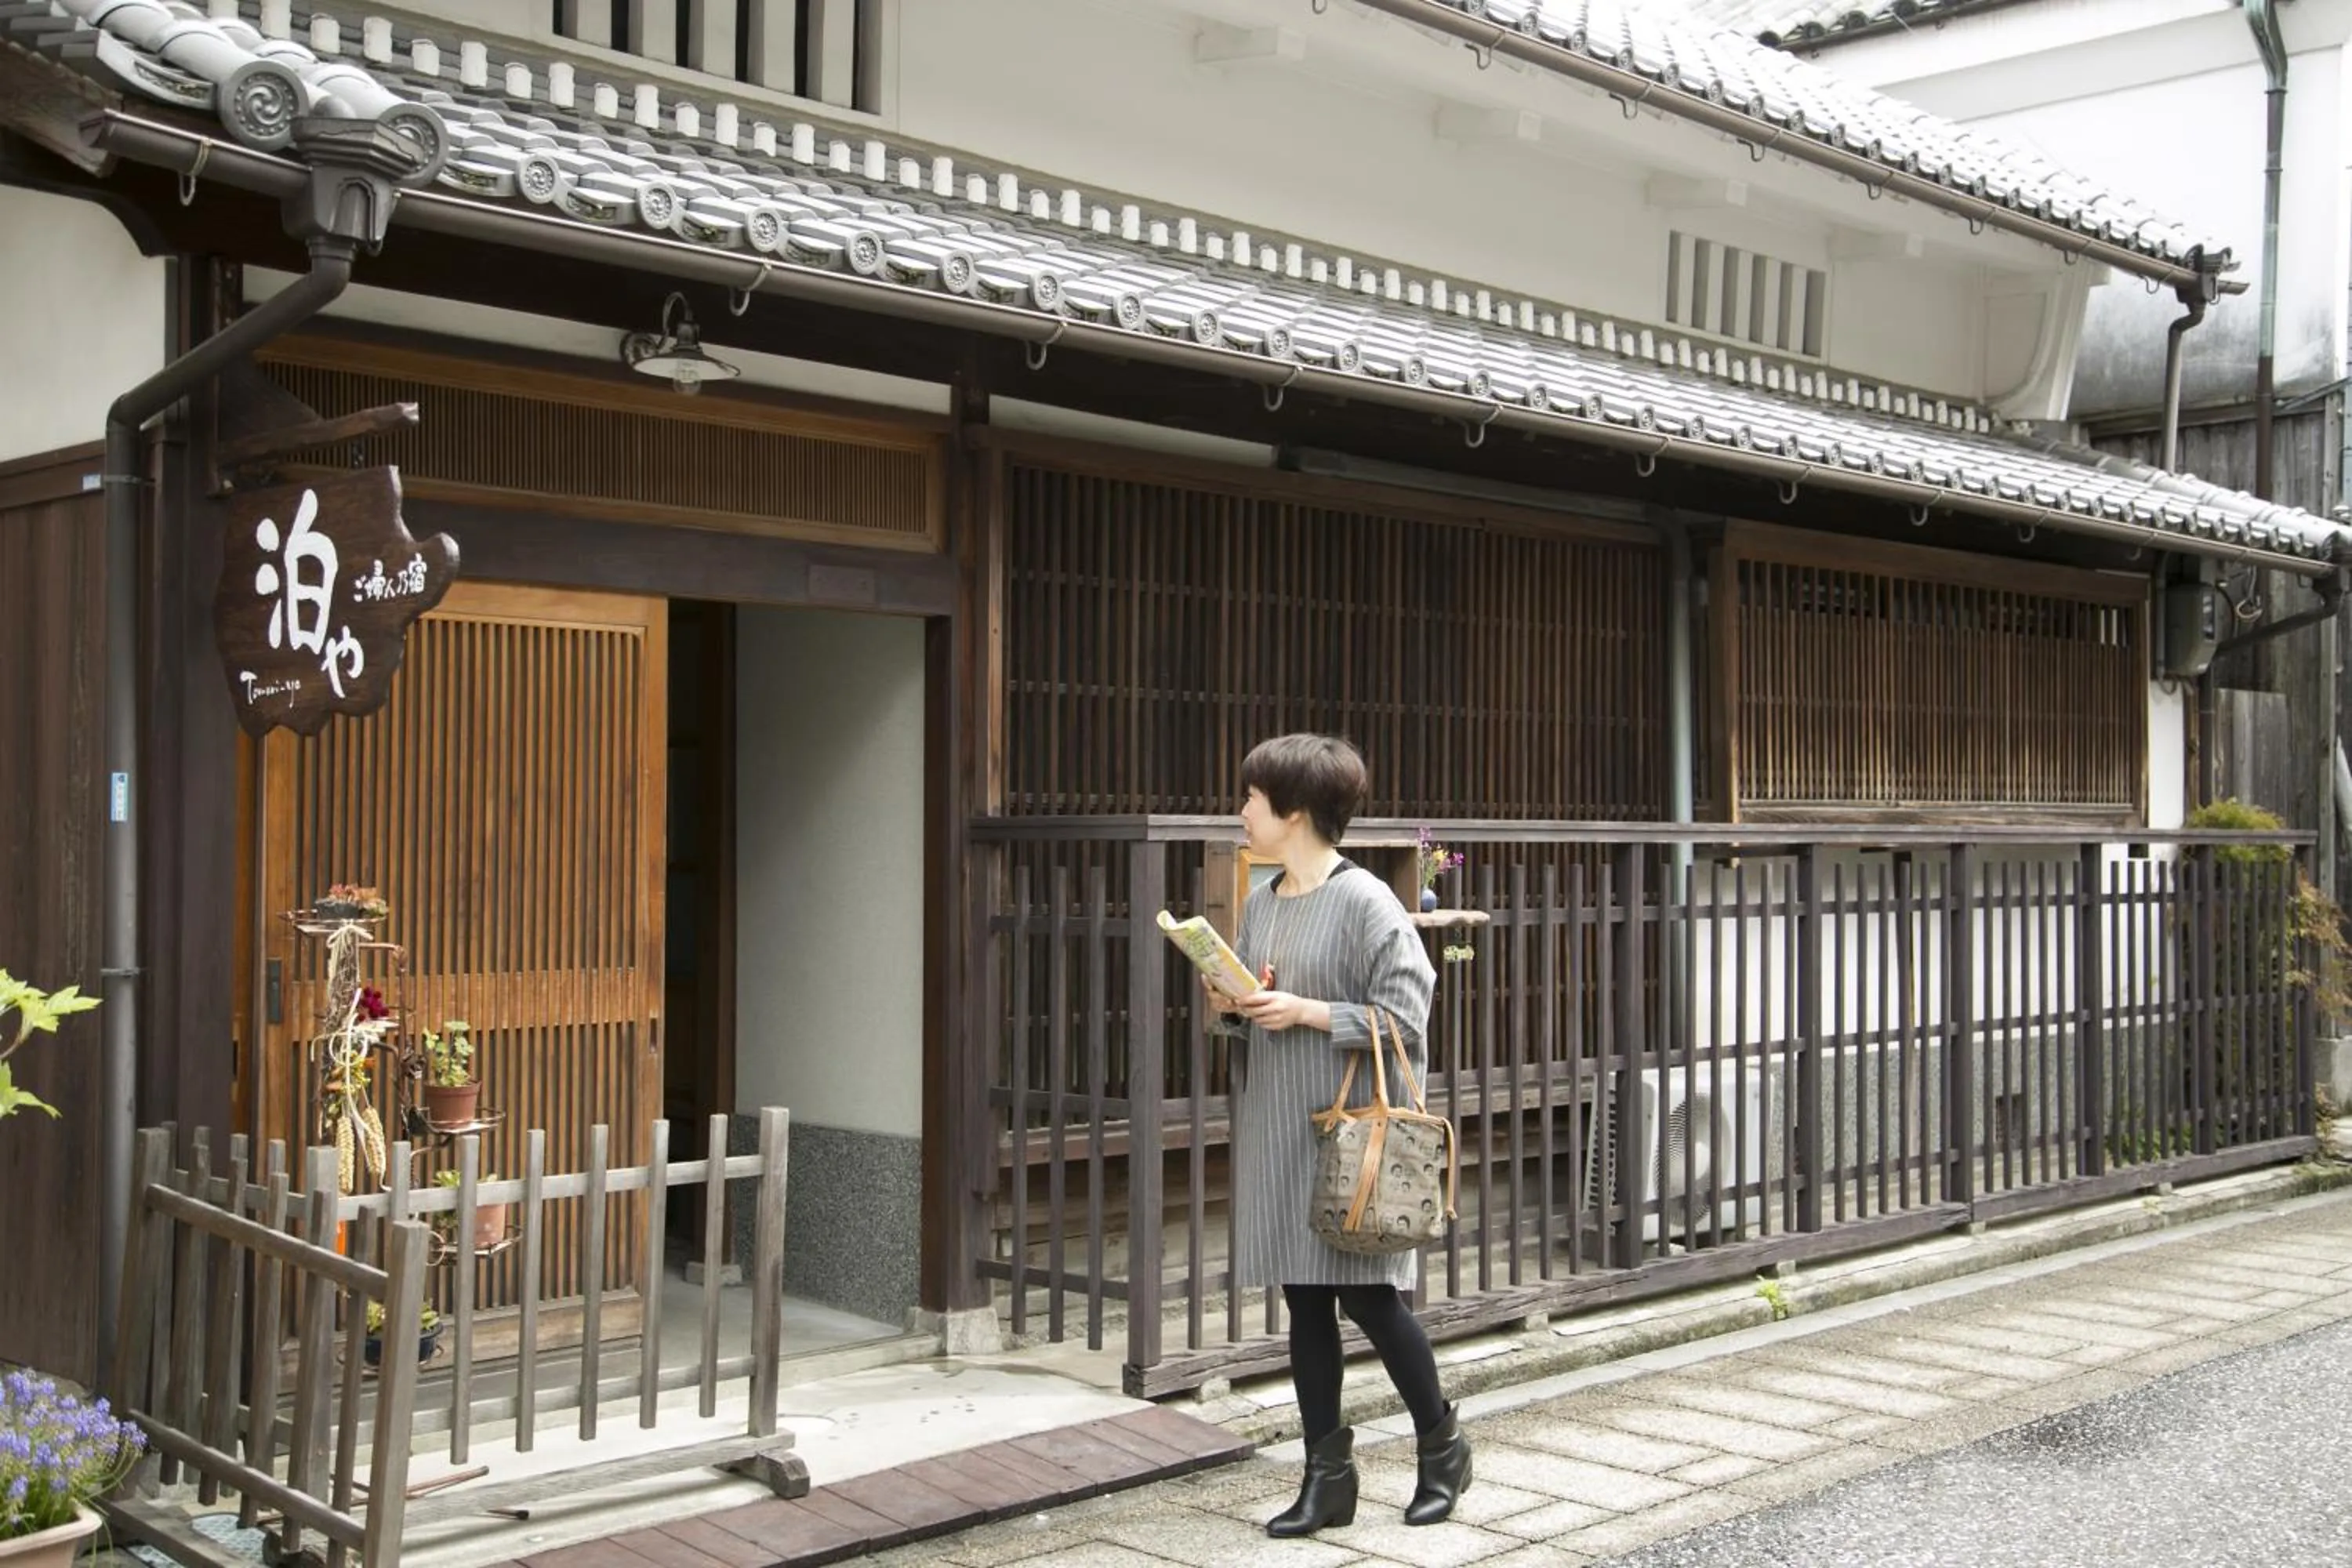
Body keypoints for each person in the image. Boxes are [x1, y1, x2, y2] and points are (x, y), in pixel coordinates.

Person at [1205, 733, 1471, 1537]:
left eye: (1252, 798)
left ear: (1294, 810)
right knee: (1304, 1298)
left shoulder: (1367, 903)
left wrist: (1307, 1011)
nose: (1242, 811)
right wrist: (1235, 1004)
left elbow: (1407, 1017)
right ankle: (1328, 1479)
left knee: (1369, 1297)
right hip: (1281, 1118)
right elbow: (1256, 1011)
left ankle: (1443, 1447)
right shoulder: (1262, 900)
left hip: (1352, 1135)